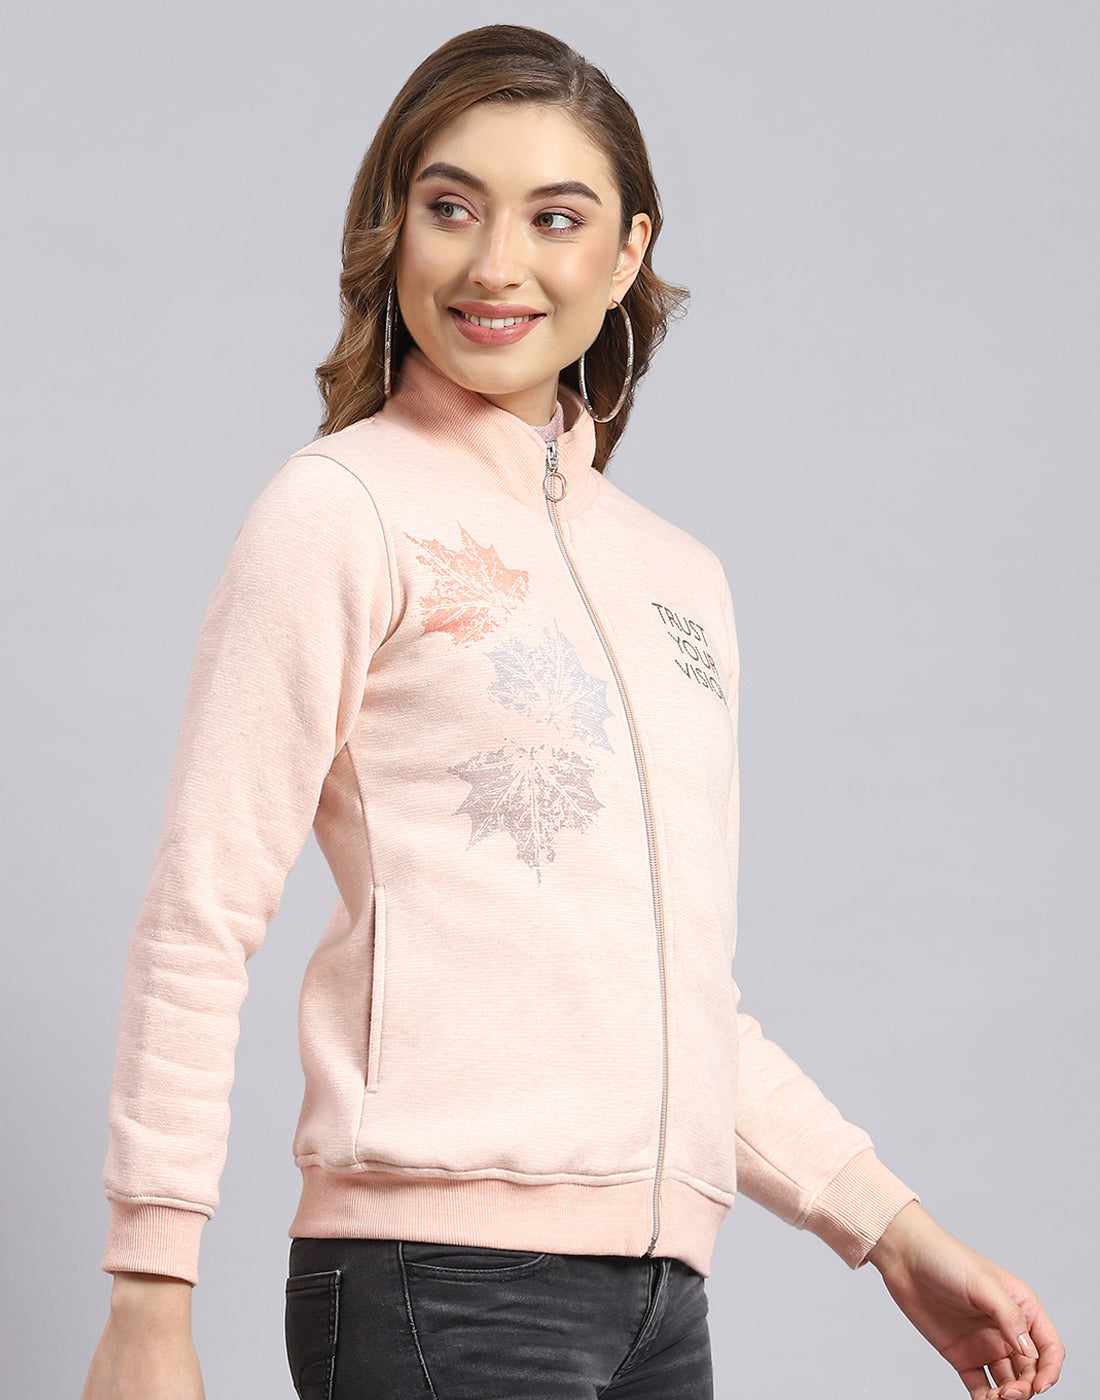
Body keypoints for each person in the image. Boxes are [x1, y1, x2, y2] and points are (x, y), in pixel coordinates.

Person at [81, 24, 1064, 1400]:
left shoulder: (680, 580)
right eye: (451, 207)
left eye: (555, 217)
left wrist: (891, 1232)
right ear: (393, 226)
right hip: (435, 1280)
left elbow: (674, 1000)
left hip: (661, 1304)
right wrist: (150, 1293)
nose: (496, 264)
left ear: (625, 252)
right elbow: (199, 916)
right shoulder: (341, 509)